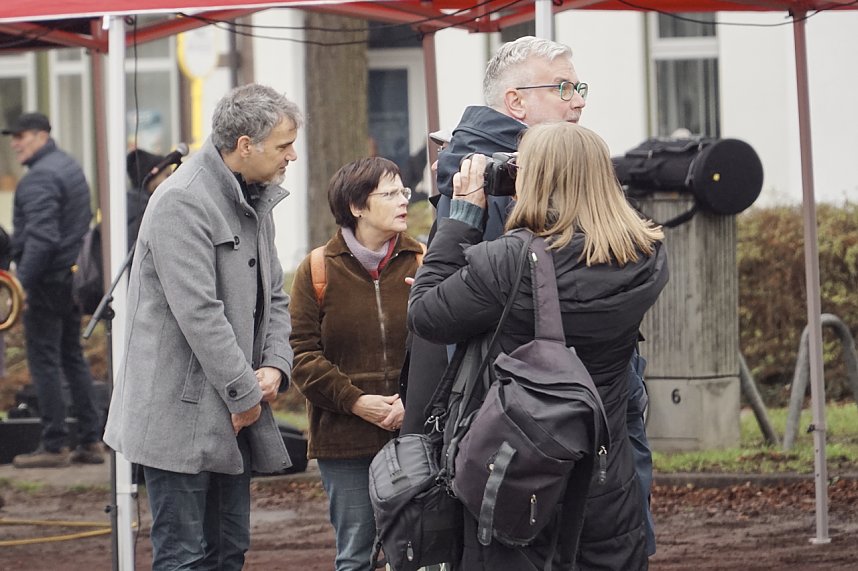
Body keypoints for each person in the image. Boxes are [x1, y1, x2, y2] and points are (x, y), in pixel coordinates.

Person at [403, 36, 658, 555]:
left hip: (532, 421)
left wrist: (450, 254)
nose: (578, 101)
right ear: (515, 101)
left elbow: (436, 311)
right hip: (584, 424)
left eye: (580, 87)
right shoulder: (645, 250)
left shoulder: (499, 219)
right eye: (563, 87)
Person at [103, 83, 299, 570]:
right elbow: (200, 314)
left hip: (235, 410)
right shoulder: (181, 200)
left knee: (228, 552)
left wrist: (276, 365)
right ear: (245, 145)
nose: (292, 156)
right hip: (179, 416)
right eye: (284, 145)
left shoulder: (255, 196)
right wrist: (247, 394)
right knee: (185, 559)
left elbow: (275, 295)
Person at [289, 157, 421, 570]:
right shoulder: (316, 270)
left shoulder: (424, 261)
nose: (403, 201)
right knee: (356, 556)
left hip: (414, 435)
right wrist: (357, 402)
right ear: (357, 206)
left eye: (404, 191)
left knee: (419, 552)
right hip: (344, 441)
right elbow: (302, 356)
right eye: (390, 193)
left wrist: (411, 401)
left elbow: (443, 347)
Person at [2, 112, 104, 469]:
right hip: (69, 278)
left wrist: (21, 284)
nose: (15, 144)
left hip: (46, 281)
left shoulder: (39, 178)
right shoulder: (69, 167)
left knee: (44, 360)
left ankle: (53, 443)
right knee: (72, 357)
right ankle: (90, 440)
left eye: (22, 136)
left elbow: (42, 238)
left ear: (42, 135)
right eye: (13, 137)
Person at [125, 148, 172, 247]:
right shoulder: (146, 213)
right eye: (167, 175)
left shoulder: (130, 205)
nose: (171, 180)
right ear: (150, 177)